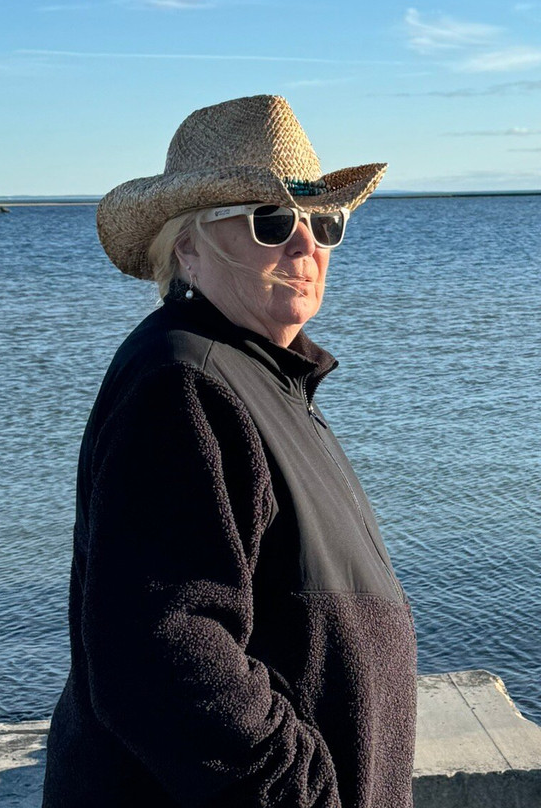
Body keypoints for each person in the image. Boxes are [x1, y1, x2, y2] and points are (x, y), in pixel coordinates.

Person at [42, 95, 416, 807]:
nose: (305, 246)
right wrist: (305, 792)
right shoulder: (184, 383)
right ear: (187, 247)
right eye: (270, 221)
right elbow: (161, 656)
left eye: (323, 222)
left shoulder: (260, 377)